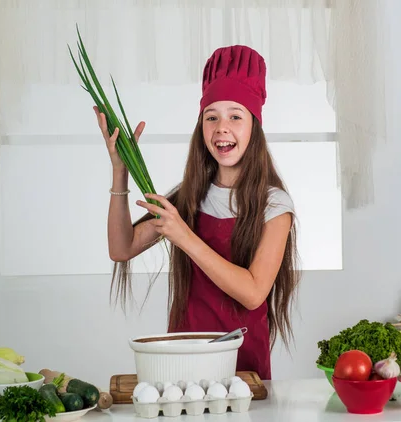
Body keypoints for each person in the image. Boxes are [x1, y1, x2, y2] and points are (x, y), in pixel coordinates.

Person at [95, 45, 300, 380]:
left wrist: (184, 236)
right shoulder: (188, 198)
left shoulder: (274, 205)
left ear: (254, 127)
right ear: (201, 127)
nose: (222, 127)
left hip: (241, 366)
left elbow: (253, 293)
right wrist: (120, 171)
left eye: (236, 116)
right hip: (182, 359)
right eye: (212, 117)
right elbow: (121, 248)